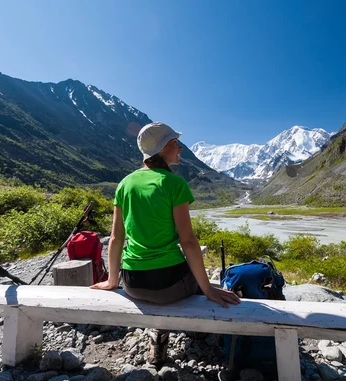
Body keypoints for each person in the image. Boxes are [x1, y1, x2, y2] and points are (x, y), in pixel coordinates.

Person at [90, 121, 240, 364]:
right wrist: (207, 289)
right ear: (161, 150)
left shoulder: (124, 184)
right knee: (200, 281)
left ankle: (158, 336)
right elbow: (188, 242)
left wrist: (112, 280)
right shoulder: (174, 184)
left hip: (132, 284)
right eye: (174, 143)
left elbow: (116, 238)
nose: (180, 148)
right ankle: (195, 331)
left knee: (182, 279)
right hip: (169, 286)